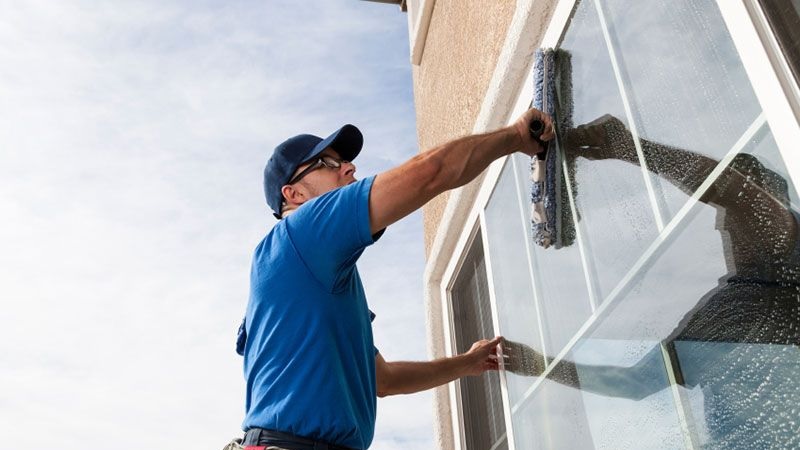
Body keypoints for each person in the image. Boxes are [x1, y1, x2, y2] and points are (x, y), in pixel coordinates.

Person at [235, 108, 554, 450]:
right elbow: (430, 173)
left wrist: (466, 363)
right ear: (294, 195)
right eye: (328, 164)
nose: (349, 167)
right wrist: (517, 137)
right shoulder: (302, 232)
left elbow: (383, 379)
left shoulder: (318, 281)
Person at [505, 114, 800, 449]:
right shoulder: (730, 311)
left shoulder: (752, 298)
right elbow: (635, 382)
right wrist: (538, 366)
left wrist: (631, 148)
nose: (723, 229)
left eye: (730, 219)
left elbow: (737, 193)